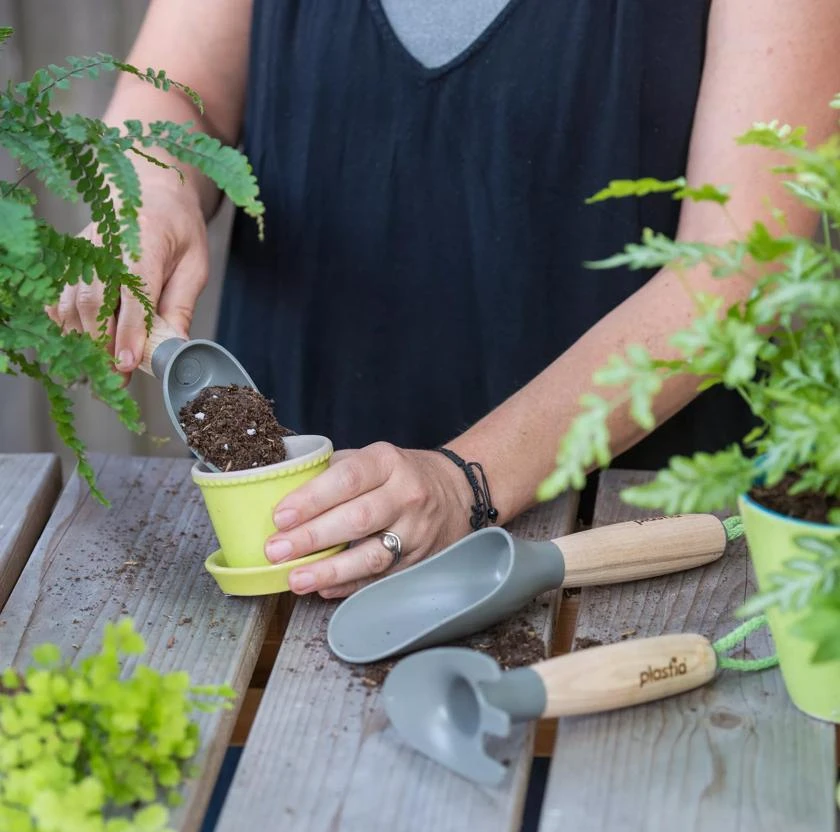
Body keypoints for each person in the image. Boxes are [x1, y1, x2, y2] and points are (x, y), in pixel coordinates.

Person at [59, 0, 840, 599]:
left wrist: (466, 480)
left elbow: (736, 270)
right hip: (296, 537)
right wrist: (147, 195)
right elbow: (176, 100)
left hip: (616, 550)